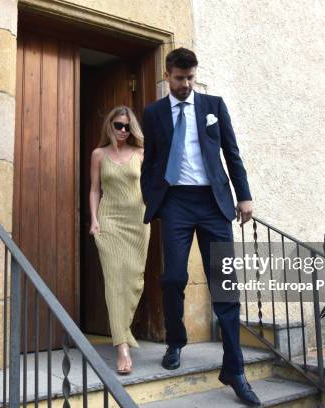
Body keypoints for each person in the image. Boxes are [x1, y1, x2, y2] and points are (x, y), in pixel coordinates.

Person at [140, 48, 259, 406]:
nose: (185, 85)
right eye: (179, 78)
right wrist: (151, 196)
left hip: (213, 203)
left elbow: (231, 153)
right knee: (174, 277)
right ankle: (176, 341)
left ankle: (234, 369)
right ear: (168, 74)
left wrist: (245, 196)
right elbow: (152, 160)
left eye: (190, 78)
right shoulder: (154, 112)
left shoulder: (213, 106)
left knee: (225, 285)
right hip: (175, 202)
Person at [89, 106, 150, 375]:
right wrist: (94, 220)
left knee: (134, 279)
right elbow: (94, 189)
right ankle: (121, 347)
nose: (123, 130)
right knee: (114, 280)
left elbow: (152, 184)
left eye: (127, 126)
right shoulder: (99, 155)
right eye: (118, 125)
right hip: (110, 220)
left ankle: (123, 331)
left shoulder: (140, 153)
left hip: (137, 220)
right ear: (109, 126)